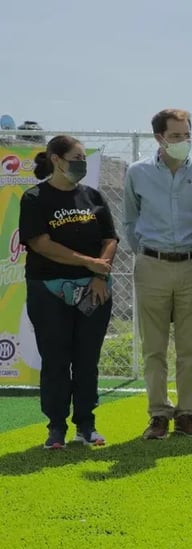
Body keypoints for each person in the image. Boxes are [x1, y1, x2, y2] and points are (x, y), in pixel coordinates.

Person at [124, 108, 192, 440]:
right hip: (151, 265)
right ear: (159, 138)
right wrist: (146, 252)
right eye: (176, 135)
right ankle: (158, 414)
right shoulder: (137, 172)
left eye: (186, 134)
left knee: (190, 348)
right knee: (154, 348)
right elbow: (130, 220)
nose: (183, 140)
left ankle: (186, 413)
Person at [19, 136, 117, 449]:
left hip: (94, 290)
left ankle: (86, 425)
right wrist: (88, 262)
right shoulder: (35, 198)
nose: (81, 164)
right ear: (56, 160)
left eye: (83, 158)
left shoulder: (92, 195)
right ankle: (56, 427)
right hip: (48, 292)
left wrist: (99, 273)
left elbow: (110, 239)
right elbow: (41, 243)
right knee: (56, 360)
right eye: (76, 158)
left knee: (87, 360)